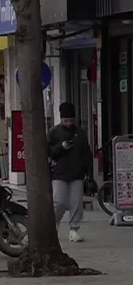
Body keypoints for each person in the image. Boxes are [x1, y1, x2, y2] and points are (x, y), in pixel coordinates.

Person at [49, 101, 92, 243]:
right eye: (65, 120)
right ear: (61, 119)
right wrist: (60, 147)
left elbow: (86, 153)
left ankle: (74, 229)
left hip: (77, 173)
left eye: (71, 120)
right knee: (59, 202)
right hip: (59, 173)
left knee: (76, 203)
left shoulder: (80, 133)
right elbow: (47, 151)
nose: (68, 123)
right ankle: (53, 226)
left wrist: (88, 173)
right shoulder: (54, 132)